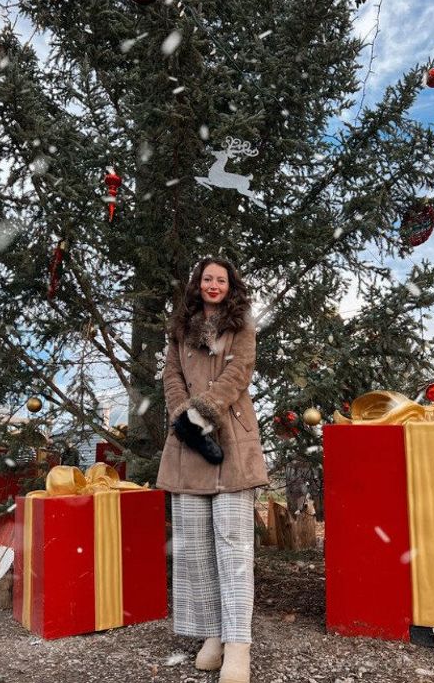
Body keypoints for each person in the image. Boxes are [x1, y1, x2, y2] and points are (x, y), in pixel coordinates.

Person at [157, 256, 269, 683]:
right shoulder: (181, 329)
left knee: (233, 545)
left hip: (230, 437)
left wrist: (203, 411)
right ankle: (212, 635)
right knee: (196, 548)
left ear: (229, 285)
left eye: (220, 279)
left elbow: (238, 372)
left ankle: (238, 643)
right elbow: (171, 375)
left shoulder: (241, 325)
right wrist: (183, 417)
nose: (213, 285)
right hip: (187, 444)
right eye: (207, 278)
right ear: (198, 284)